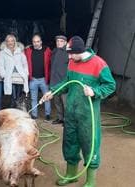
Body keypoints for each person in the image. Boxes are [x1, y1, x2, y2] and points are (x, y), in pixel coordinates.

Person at [40, 36, 116, 187]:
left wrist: (94, 91)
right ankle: (71, 175)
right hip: (71, 113)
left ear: (80, 51)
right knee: (70, 143)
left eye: (71, 53)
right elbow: (67, 83)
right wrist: (53, 91)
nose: (69, 56)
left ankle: (90, 181)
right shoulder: (72, 62)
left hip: (88, 115)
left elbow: (110, 85)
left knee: (90, 144)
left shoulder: (99, 64)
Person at [25, 33, 51, 121]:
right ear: (32, 42)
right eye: (34, 42)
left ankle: (47, 114)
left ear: (41, 42)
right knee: (33, 98)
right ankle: (34, 115)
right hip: (33, 79)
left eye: (38, 41)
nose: (36, 43)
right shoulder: (28, 50)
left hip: (44, 79)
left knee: (47, 97)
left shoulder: (47, 50)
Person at [0, 34, 29, 108]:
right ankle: (12, 113)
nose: (10, 43)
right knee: (11, 96)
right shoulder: (2, 53)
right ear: (6, 42)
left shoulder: (20, 52)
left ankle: (18, 112)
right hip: (9, 77)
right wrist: (3, 75)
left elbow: (25, 64)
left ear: (14, 42)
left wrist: (26, 74)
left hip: (20, 78)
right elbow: (1, 66)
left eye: (12, 41)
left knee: (19, 97)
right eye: (8, 41)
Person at [50, 35, 69, 124]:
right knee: (57, 102)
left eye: (61, 41)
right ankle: (60, 118)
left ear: (65, 42)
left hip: (64, 82)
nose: (59, 43)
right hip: (54, 82)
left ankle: (67, 120)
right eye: (57, 41)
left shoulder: (68, 53)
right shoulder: (54, 51)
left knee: (65, 103)